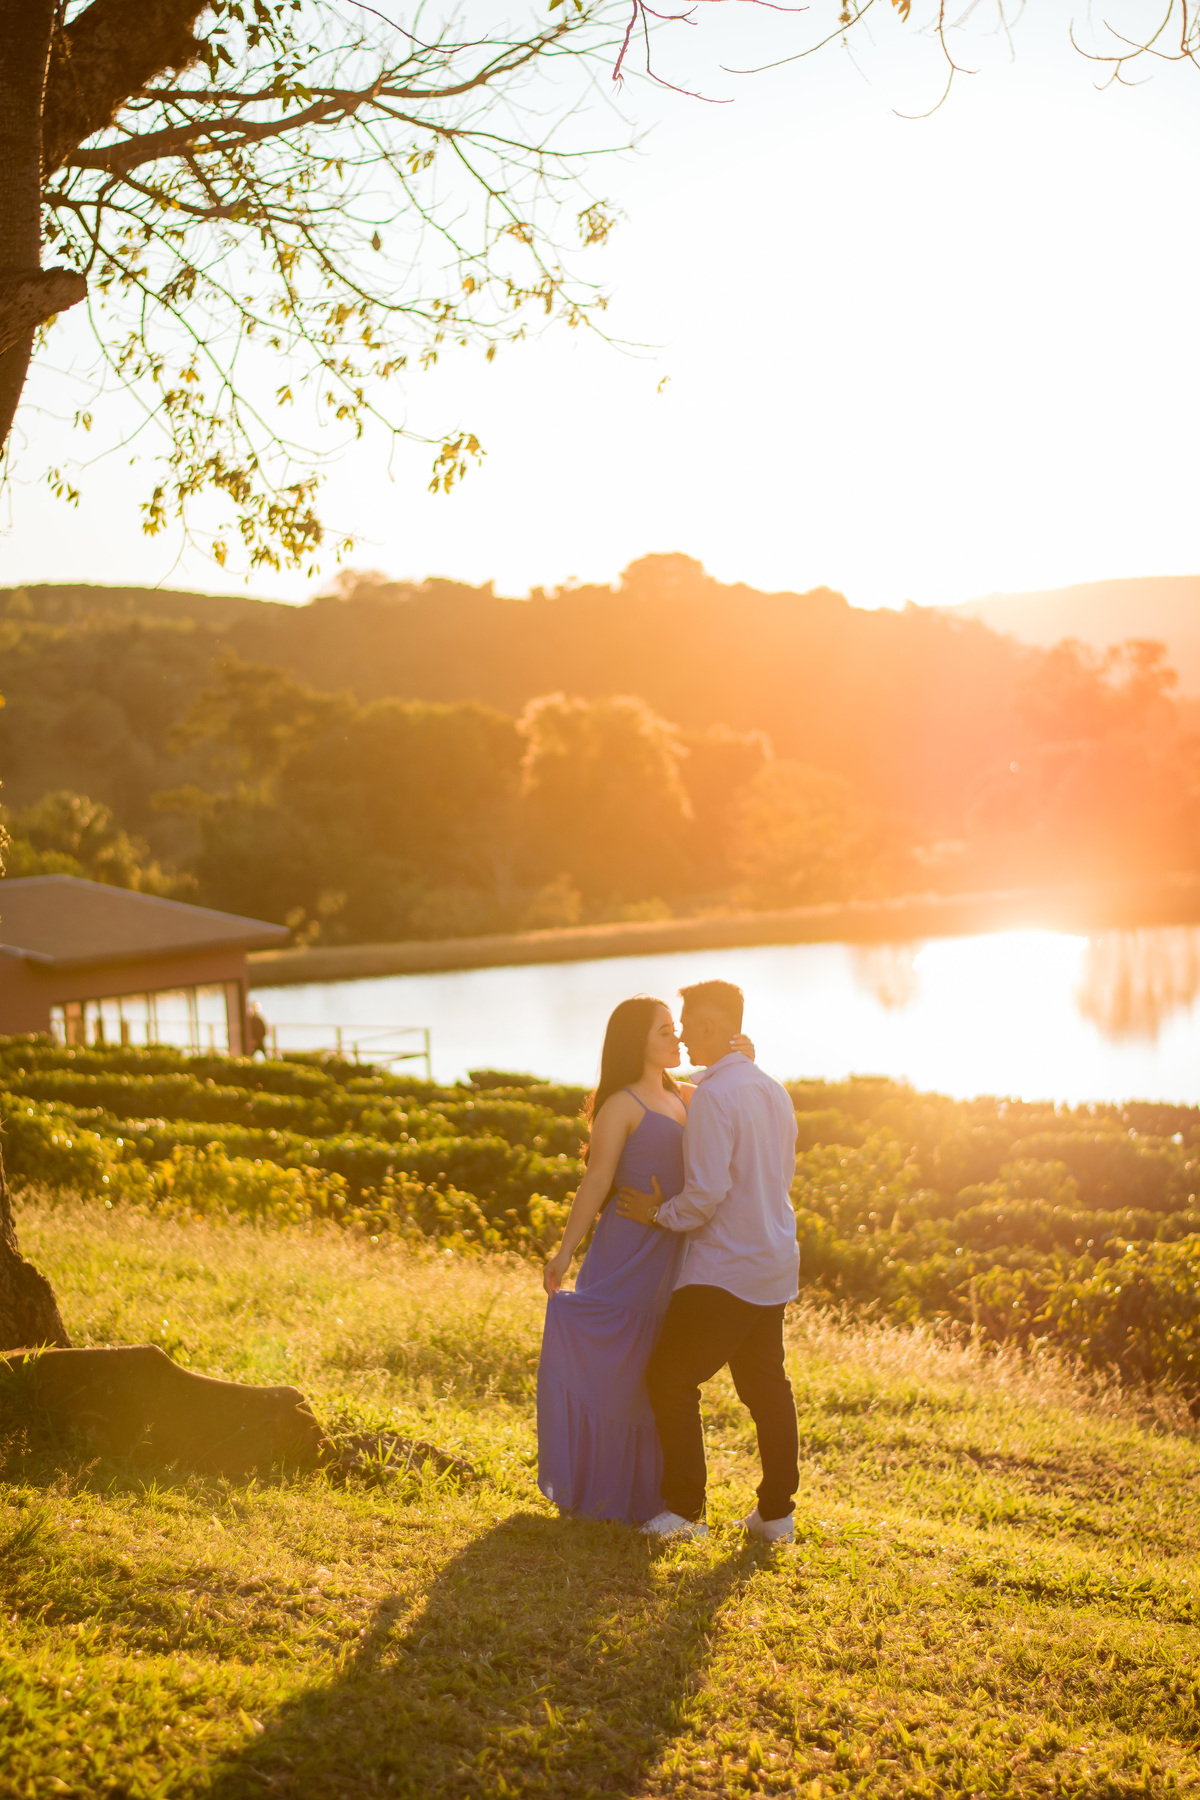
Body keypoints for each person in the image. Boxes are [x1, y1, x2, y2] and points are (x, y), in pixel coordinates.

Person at [536, 994, 754, 1525]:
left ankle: (652, 1496)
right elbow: (597, 1180)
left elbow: (733, 1091)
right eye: (664, 1030)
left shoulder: (685, 1093)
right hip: (627, 1250)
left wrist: (745, 1056)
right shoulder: (621, 1104)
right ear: (637, 1041)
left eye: (675, 1029)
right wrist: (565, 1250)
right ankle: (601, 1491)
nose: (677, 1037)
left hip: (670, 1252)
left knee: (651, 1374)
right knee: (616, 1370)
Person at [617, 978, 799, 1545]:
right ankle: (776, 1516)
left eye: (688, 1026)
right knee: (766, 1388)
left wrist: (656, 1214)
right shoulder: (771, 1088)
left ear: (712, 1027)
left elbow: (705, 1195)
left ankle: (684, 1510)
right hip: (773, 1260)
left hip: (725, 1267)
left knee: (669, 1377)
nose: (682, 1037)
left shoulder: (718, 1095)